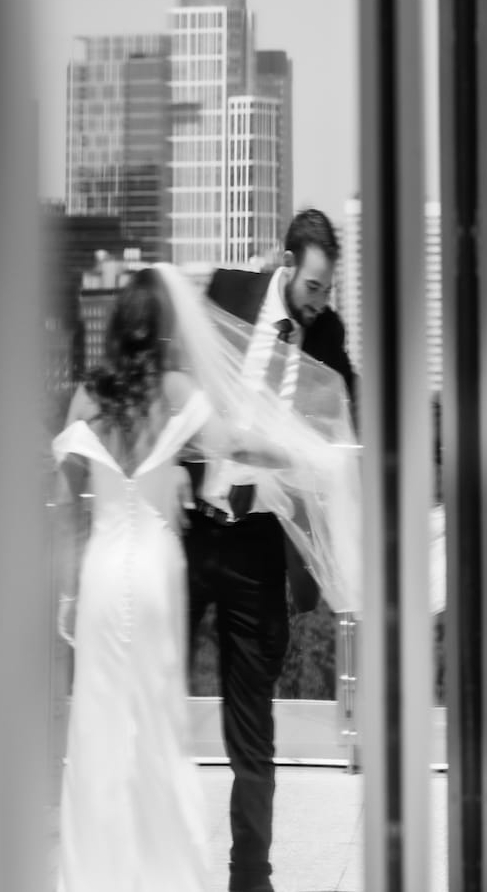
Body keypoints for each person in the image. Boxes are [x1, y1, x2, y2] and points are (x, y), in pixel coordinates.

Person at [52, 264, 349, 891]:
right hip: (164, 566)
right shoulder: (181, 387)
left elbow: (65, 503)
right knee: (156, 719)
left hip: (109, 570)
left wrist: (69, 592)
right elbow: (238, 446)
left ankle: (119, 867)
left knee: (109, 718)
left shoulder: (85, 398)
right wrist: (305, 457)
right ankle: (161, 864)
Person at [183, 208, 356, 892]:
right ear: (286, 265)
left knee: (252, 732)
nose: (320, 301)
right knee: (149, 685)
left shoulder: (329, 334)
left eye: (328, 289)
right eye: (313, 286)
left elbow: (345, 423)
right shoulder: (227, 292)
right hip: (193, 532)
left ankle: (249, 879)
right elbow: (174, 374)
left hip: (260, 547)